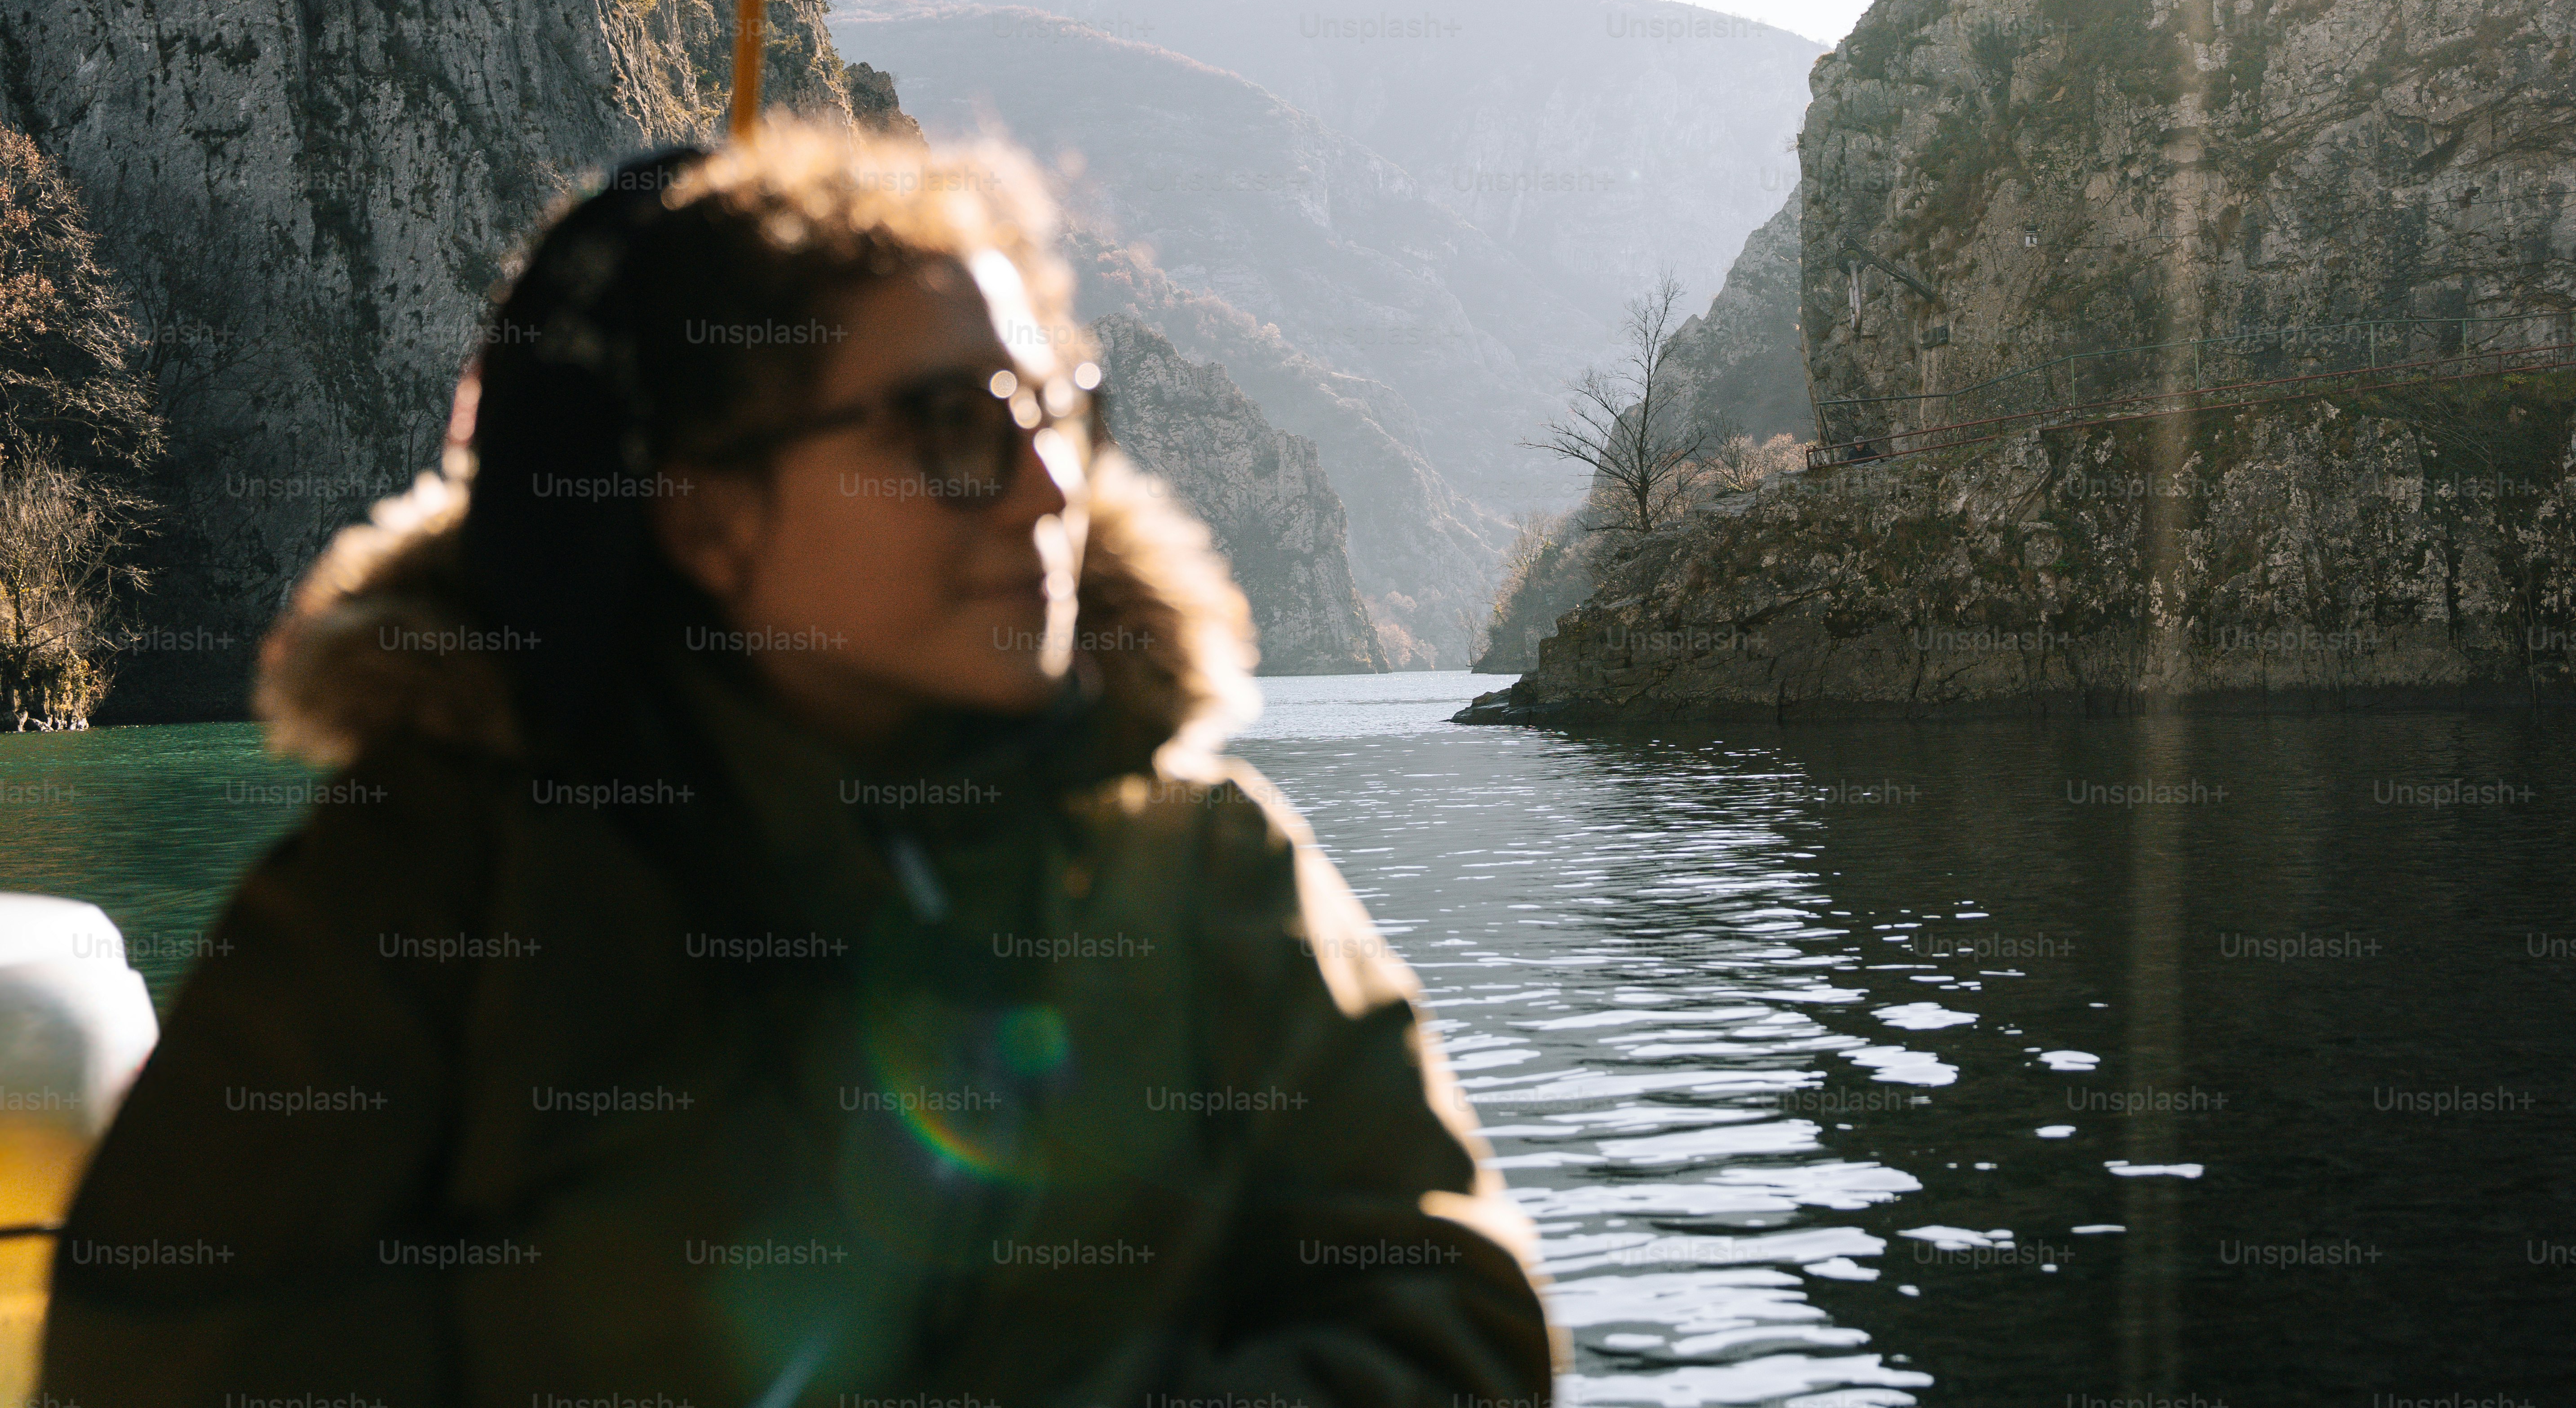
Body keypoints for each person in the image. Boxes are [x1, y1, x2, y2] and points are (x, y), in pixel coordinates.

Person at [44, 127, 1558, 1404]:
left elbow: (1452, 1331)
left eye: (1056, 415)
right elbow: (164, 1357)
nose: (1047, 485)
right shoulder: (423, 895)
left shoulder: (1210, 864)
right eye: (950, 425)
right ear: (705, 516)